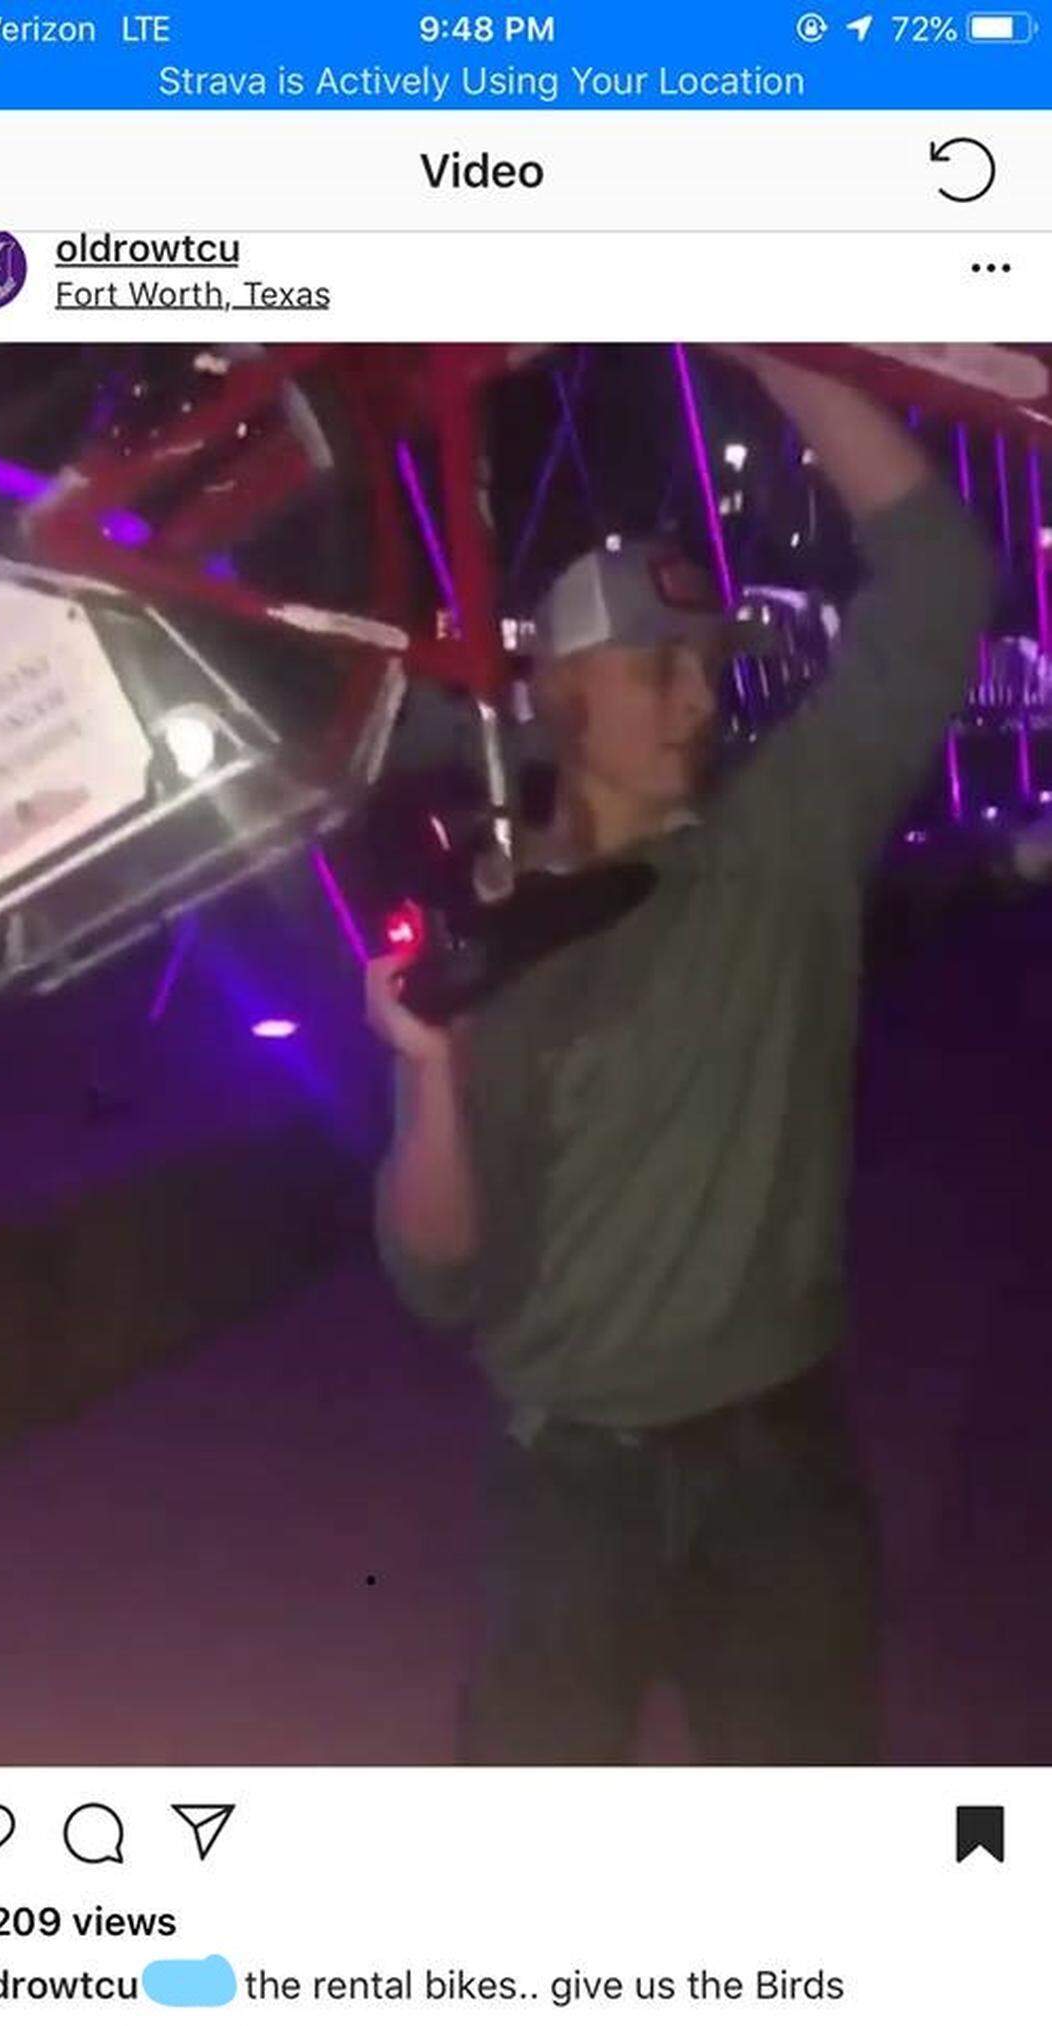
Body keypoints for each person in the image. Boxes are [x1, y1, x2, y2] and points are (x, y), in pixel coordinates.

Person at [365, 348, 995, 1766]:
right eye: (655, 669)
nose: (698, 698)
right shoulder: (499, 932)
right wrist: (430, 1069)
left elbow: (941, 581)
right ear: (562, 699)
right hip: (565, 1476)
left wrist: (776, 331)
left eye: (707, 666)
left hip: (777, 1455)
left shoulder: (782, 846)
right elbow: (442, 1271)